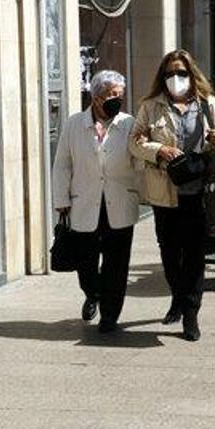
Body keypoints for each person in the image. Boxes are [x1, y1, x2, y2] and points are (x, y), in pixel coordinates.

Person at [129, 49, 215, 342]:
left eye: (182, 73)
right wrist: (158, 150)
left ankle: (190, 313)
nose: (176, 79)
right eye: (170, 73)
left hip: (199, 191)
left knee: (195, 255)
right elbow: (135, 143)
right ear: (163, 77)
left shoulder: (209, 104)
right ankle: (177, 294)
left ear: (192, 75)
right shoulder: (151, 107)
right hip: (165, 192)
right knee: (170, 253)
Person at [53, 70, 141, 333]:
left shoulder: (129, 123)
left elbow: (138, 160)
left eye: (120, 95)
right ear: (97, 96)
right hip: (84, 201)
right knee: (86, 263)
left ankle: (110, 315)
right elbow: (62, 165)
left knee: (117, 263)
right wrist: (61, 199)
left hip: (120, 201)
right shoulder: (74, 124)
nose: (117, 100)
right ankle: (93, 294)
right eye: (112, 95)